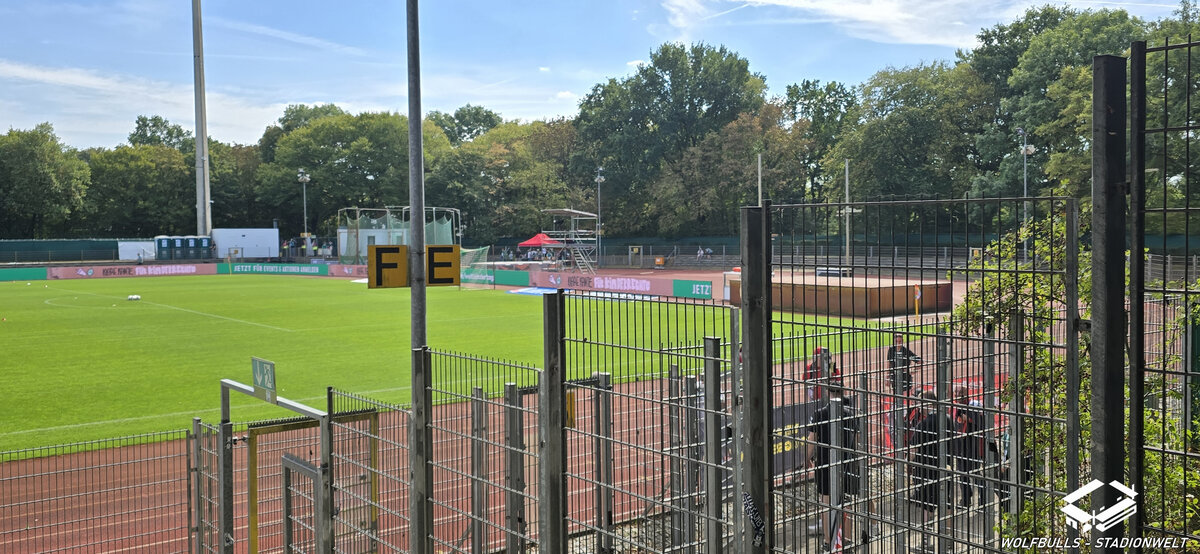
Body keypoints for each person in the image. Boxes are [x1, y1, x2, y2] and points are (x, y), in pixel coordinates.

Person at [806, 386, 862, 549]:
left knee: (826, 502)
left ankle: (828, 542)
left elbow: (811, 439)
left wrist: (806, 459)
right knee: (846, 501)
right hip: (847, 462)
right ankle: (848, 541)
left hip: (825, 463)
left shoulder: (820, 413)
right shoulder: (851, 413)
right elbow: (857, 439)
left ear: (827, 393)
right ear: (842, 393)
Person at [908, 390, 951, 553]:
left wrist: (906, 462)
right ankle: (948, 540)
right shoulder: (947, 419)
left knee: (927, 507)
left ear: (928, 404)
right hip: (944, 467)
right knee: (945, 503)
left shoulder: (923, 425)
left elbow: (912, 452)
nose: (918, 407)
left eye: (920, 404)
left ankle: (926, 542)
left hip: (925, 470)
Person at [952, 385, 986, 508]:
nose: (957, 394)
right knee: (962, 474)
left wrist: (970, 419)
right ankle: (966, 499)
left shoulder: (973, 406)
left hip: (973, 446)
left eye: (960, 392)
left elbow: (982, 424)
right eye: (956, 392)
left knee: (975, 473)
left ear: (967, 393)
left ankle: (983, 499)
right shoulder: (955, 408)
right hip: (960, 446)